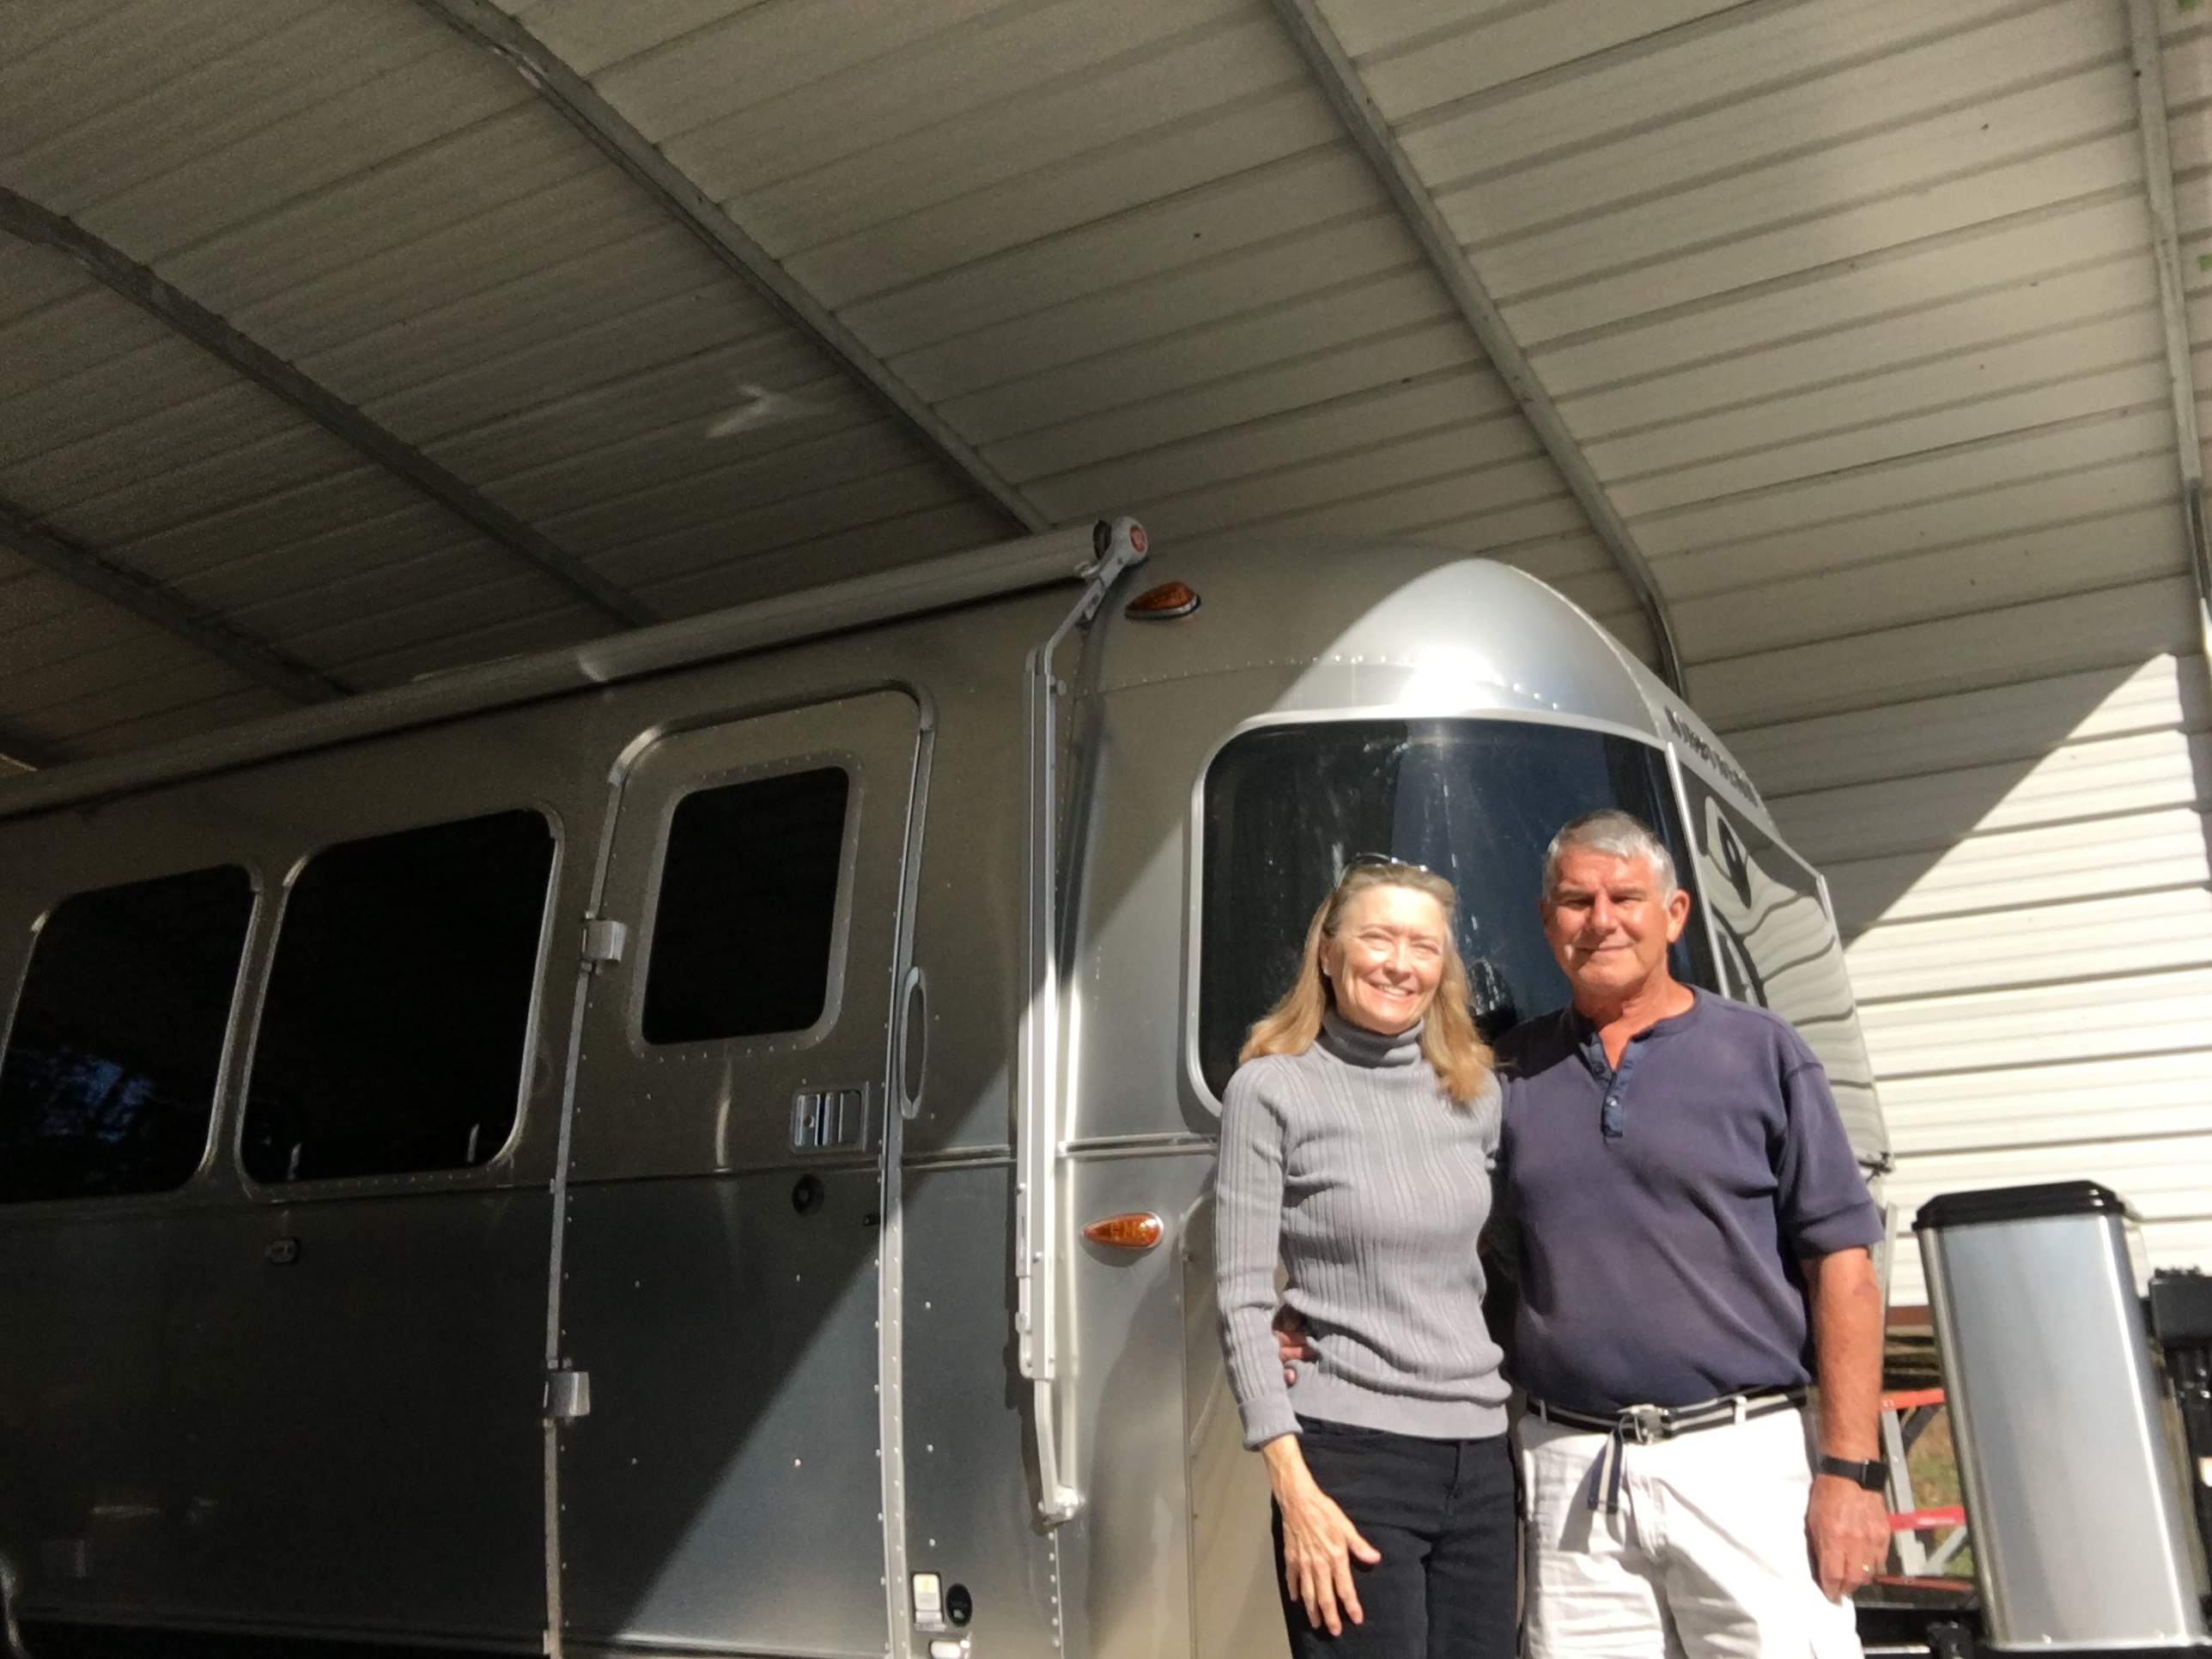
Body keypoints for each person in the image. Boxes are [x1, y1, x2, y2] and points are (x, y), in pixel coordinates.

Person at [1498, 809, 1887, 1658]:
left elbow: (1843, 1271)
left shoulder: (1762, 1054)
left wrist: (1850, 1473)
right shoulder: (1507, 1075)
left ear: (1673, 914)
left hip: (1743, 1463)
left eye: (1624, 898)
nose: (1600, 920)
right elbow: (1438, 1233)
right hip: (1571, 1473)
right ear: (1546, 921)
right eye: (1576, 901)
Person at [1216, 857, 1516, 1659]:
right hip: (1351, 1458)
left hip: (1481, 1459)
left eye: (1423, 946)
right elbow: (1241, 1298)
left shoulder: (1475, 1092)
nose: (1399, 964)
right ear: (1328, 951)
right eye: (1378, 939)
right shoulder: (1271, 1090)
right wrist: (1293, 1487)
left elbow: (1470, 1254)